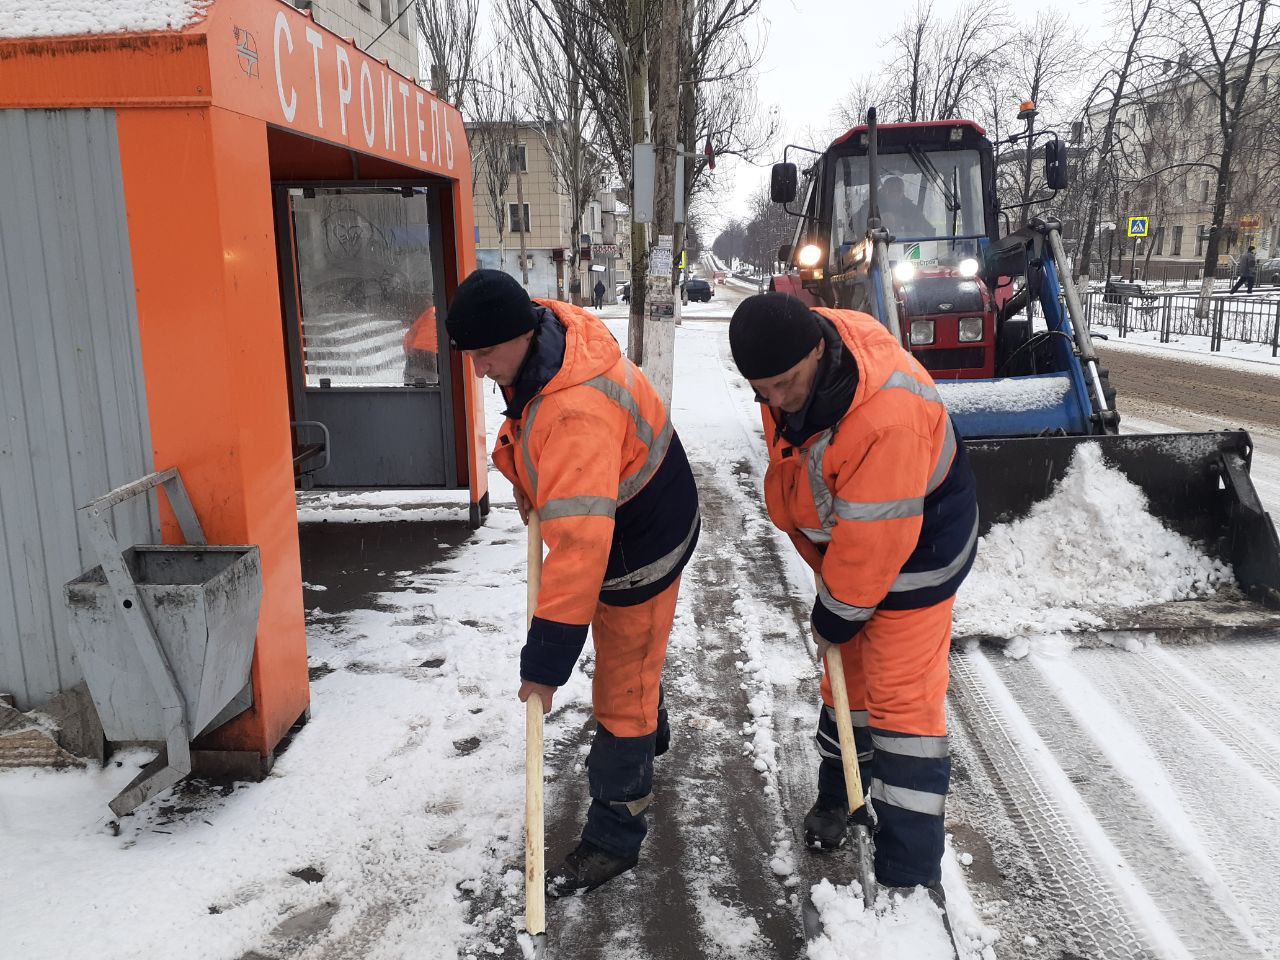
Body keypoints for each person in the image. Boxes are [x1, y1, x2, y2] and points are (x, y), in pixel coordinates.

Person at [445, 269, 701, 897]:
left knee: (622, 688)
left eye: (484, 354)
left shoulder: (575, 408)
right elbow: (540, 438)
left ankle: (616, 833)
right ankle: (650, 719)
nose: (477, 371)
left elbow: (582, 554)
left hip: (640, 542)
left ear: (519, 332)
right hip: (623, 509)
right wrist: (535, 485)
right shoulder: (551, 340)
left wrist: (544, 665)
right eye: (469, 354)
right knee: (631, 665)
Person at [728, 292, 977, 892]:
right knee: (847, 677)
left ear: (817, 349)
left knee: (903, 710)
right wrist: (837, 598)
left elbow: (877, 542)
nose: (776, 402)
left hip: (921, 548)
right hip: (854, 539)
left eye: (785, 385)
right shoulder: (800, 367)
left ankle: (908, 875)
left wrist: (838, 610)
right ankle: (841, 794)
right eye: (762, 391)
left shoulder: (883, 415)